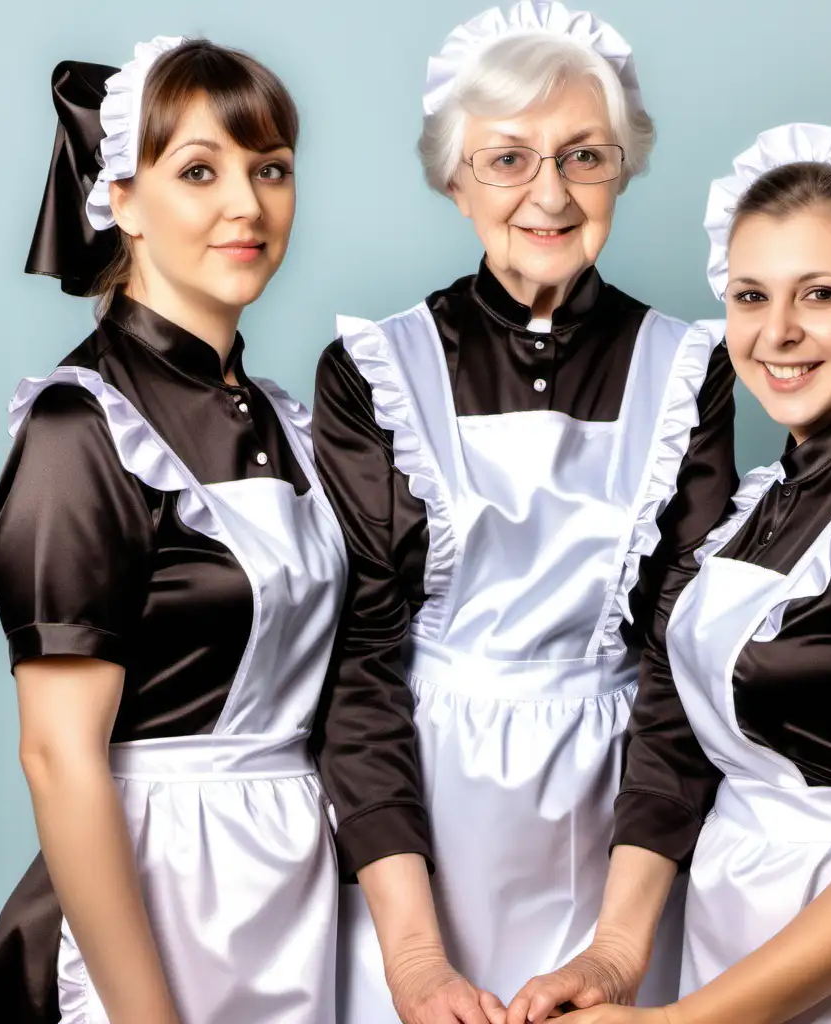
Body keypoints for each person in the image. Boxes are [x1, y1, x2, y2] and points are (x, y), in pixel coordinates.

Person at [507, 122, 831, 1024]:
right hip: (741, 939)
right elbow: (673, 739)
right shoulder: (762, 502)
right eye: (750, 296)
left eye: (818, 294)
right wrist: (617, 959)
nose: (776, 334)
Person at [311, 3, 738, 1022]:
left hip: (626, 818)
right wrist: (413, 957)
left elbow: (683, 658)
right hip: (419, 818)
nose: (548, 192)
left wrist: (621, 946)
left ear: (622, 173)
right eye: (507, 159)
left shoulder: (690, 367)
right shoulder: (375, 368)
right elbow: (360, 665)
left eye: (583, 156)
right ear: (455, 180)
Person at [0, 37, 346, 1024]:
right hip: (155, 893)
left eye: (269, 167)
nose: (249, 203)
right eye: (199, 170)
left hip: (295, 887)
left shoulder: (293, 421)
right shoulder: (83, 428)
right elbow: (59, 755)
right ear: (124, 200)